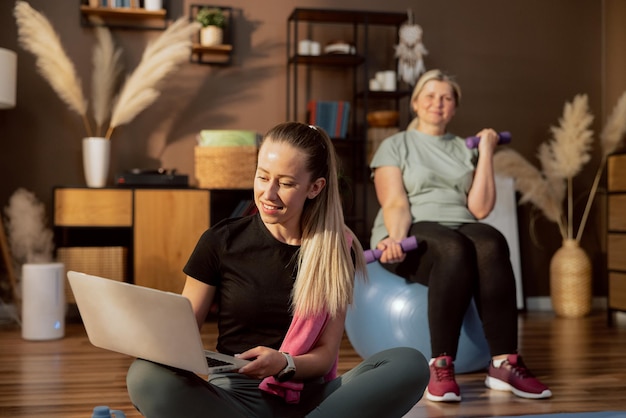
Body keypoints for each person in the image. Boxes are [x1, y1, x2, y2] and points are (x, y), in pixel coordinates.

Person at [126, 122, 430, 417]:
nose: (268, 194)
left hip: (313, 401)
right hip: (235, 398)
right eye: (262, 177)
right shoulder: (221, 240)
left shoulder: (337, 250)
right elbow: (182, 332)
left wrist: (285, 363)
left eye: (285, 183)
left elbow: (324, 357)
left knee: (410, 363)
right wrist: (148, 333)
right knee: (145, 375)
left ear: (315, 187)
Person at [369, 69, 552, 403]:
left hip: (460, 224)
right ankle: (441, 365)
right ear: (415, 103)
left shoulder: (462, 148)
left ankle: (503, 364)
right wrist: (394, 238)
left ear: (454, 108)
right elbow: (395, 201)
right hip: (412, 228)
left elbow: (479, 209)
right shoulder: (396, 145)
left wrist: (485, 153)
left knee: (493, 240)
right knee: (453, 248)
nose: (438, 103)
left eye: (447, 97)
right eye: (430, 96)